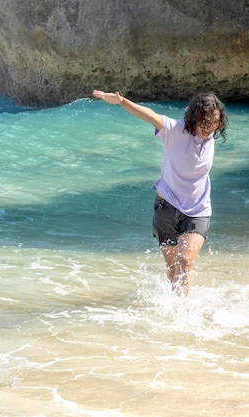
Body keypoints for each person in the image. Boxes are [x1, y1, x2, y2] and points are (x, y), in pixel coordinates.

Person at [92, 90, 227, 296]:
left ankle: (184, 315)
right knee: (173, 270)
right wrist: (121, 101)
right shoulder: (174, 130)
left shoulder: (209, 138)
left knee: (184, 263)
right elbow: (149, 115)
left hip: (198, 210)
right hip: (166, 210)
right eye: (205, 123)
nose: (210, 128)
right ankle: (174, 315)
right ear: (194, 118)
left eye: (215, 123)